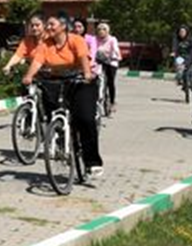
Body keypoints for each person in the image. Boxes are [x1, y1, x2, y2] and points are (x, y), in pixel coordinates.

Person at [22, 13, 103, 177]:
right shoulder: (45, 44)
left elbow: (82, 57)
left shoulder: (75, 40)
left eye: (52, 24)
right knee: (52, 113)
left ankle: (92, 161)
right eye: (48, 24)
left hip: (81, 81)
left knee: (85, 119)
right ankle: (60, 142)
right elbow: (37, 61)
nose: (49, 27)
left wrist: (87, 73)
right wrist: (28, 76)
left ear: (63, 26)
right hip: (56, 81)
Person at [95, 22, 121, 112]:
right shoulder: (96, 40)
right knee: (98, 81)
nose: (101, 31)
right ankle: (98, 99)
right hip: (99, 62)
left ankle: (112, 102)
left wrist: (117, 56)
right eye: (99, 29)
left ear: (108, 31)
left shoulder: (112, 39)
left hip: (111, 62)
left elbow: (115, 49)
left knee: (110, 82)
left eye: (104, 29)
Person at [172, 25, 192, 91]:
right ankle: (179, 80)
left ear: (186, 32)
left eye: (183, 31)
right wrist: (173, 52)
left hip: (189, 57)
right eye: (180, 32)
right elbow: (174, 47)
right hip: (180, 57)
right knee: (179, 68)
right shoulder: (176, 39)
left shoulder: (191, 39)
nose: (181, 33)